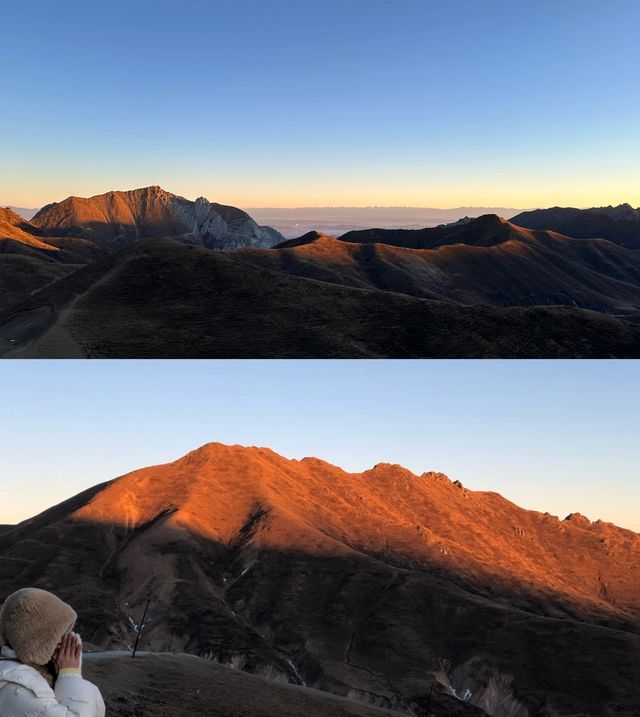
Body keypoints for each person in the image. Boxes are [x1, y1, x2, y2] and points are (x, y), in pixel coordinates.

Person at [0, 587, 106, 716]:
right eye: (59, 634)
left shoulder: (39, 673)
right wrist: (70, 675)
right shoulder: (18, 690)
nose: (65, 641)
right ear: (37, 640)